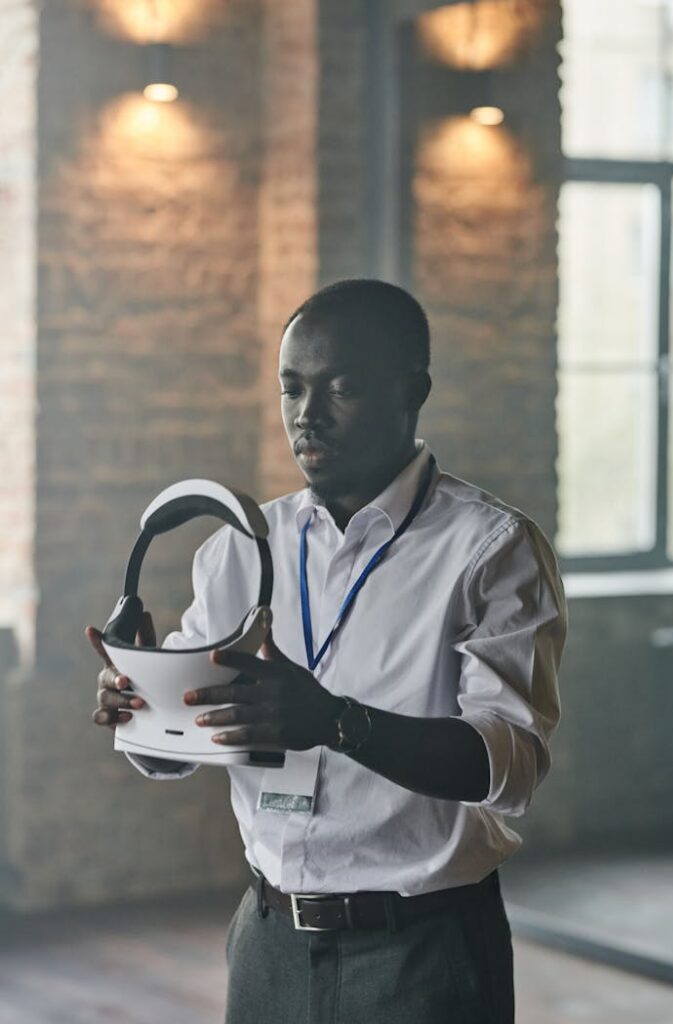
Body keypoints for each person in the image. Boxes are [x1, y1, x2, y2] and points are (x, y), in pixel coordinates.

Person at [86, 278, 567, 1024]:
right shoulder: (239, 548)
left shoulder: (490, 549)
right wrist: (139, 709)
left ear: (413, 392)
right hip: (266, 940)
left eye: (338, 389)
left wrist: (337, 722)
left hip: (423, 951)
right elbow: (175, 748)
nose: (306, 416)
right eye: (291, 388)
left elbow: (510, 766)